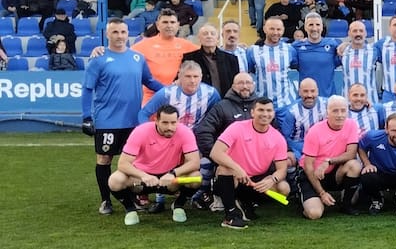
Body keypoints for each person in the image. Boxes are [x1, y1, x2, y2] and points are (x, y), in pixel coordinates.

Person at [82, 19, 164, 215]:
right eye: (115, 32)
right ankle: (105, 201)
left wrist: (171, 91)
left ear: (128, 34)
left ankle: (132, 198)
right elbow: (87, 89)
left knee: (135, 162)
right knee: (104, 159)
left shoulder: (137, 58)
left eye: (123, 32)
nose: (119, 36)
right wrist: (86, 117)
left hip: (134, 121)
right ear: (108, 35)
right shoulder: (99, 59)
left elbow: (150, 81)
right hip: (107, 120)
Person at [108, 106, 201, 226]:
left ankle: (178, 205)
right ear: (156, 121)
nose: (170, 127)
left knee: (196, 178)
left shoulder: (185, 132)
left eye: (173, 123)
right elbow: (123, 163)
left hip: (170, 180)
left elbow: (194, 162)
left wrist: (173, 174)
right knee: (115, 180)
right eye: (165, 123)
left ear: (178, 121)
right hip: (141, 180)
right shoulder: (141, 131)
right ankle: (130, 209)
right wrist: (143, 175)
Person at [209, 97, 291, 230]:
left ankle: (245, 203)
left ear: (273, 113)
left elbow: (282, 170)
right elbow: (215, 153)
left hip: (255, 181)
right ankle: (230, 216)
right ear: (252, 112)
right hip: (235, 176)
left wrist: (271, 180)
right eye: (261, 110)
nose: (265, 114)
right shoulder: (237, 127)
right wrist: (237, 168)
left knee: (284, 189)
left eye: (269, 110)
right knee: (225, 169)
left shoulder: (278, 138)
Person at [297, 95, 363, 219]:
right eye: (335, 111)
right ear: (327, 112)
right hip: (312, 174)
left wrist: (328, 162)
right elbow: (308, 165)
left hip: (332, 171)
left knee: (354, 165)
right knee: (314, 214)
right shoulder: (315, 131)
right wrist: (321, 193)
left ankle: (346, 205)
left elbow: (351, 153)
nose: (340, 115)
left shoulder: (351, 125)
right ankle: (308, 199)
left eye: (343, 111)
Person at [131, 8, 200, 103]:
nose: (169, 25)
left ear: (178, 25)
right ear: (158, 25)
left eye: (172, 22)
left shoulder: (187, 45)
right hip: (152, 98)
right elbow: (123, 56)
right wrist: (103, 51)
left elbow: (210, 52)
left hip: (179, 98)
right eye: (165, 22)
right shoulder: (143, 45)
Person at [247, 17, 299, 107]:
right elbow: (250, 72)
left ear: (283, 30)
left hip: (285, 105)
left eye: (278, 29)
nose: (275, 32)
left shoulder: (290, 49)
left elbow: (296, 66)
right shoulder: (253, 51)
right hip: (261, 105)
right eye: (272, 29)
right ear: (264, 29)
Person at [183, 24, 241, 96]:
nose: (209, 36)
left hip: (225, 101)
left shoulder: (231, 59)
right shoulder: (189, 58)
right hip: (199, 100)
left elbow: (236, 84)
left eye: (212, 34)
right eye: (205, 34)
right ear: (199, 38)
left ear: (218, 38)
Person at [339, 20, 379, 104]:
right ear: (349, 33)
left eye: (361, 31)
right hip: (347, 103)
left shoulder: (374, 50)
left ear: (366, 33)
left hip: (370, 102)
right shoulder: (342, 51)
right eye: (354, 31)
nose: (358, 34)